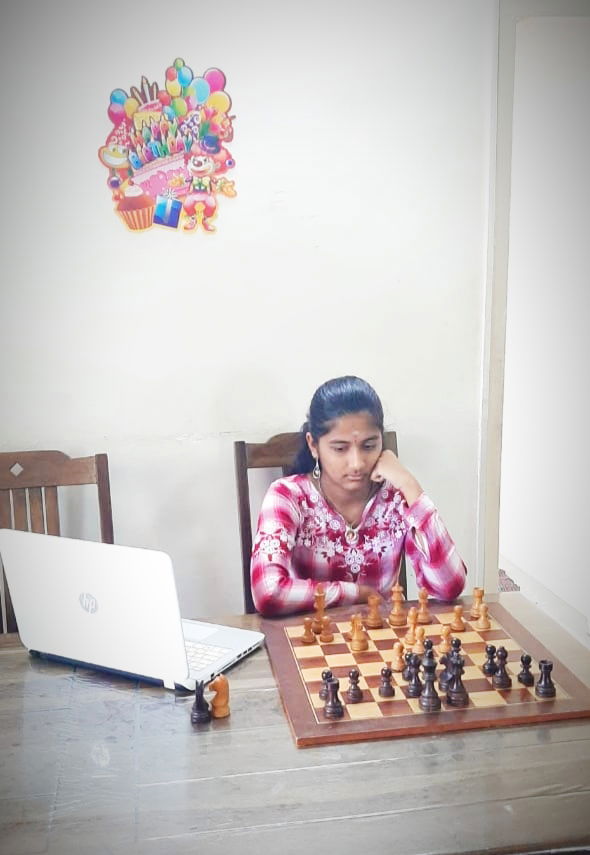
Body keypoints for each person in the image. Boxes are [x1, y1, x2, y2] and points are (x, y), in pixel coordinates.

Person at [250, 376, 467, 617]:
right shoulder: (287, 496)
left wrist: (410, 485)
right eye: (340, 448)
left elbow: (449, 587)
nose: (357, 463)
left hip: (383, 635)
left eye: (369, 446)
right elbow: (268, 592)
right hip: (309, 636)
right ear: (313, 445)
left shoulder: (396, 497)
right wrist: (356, 594)